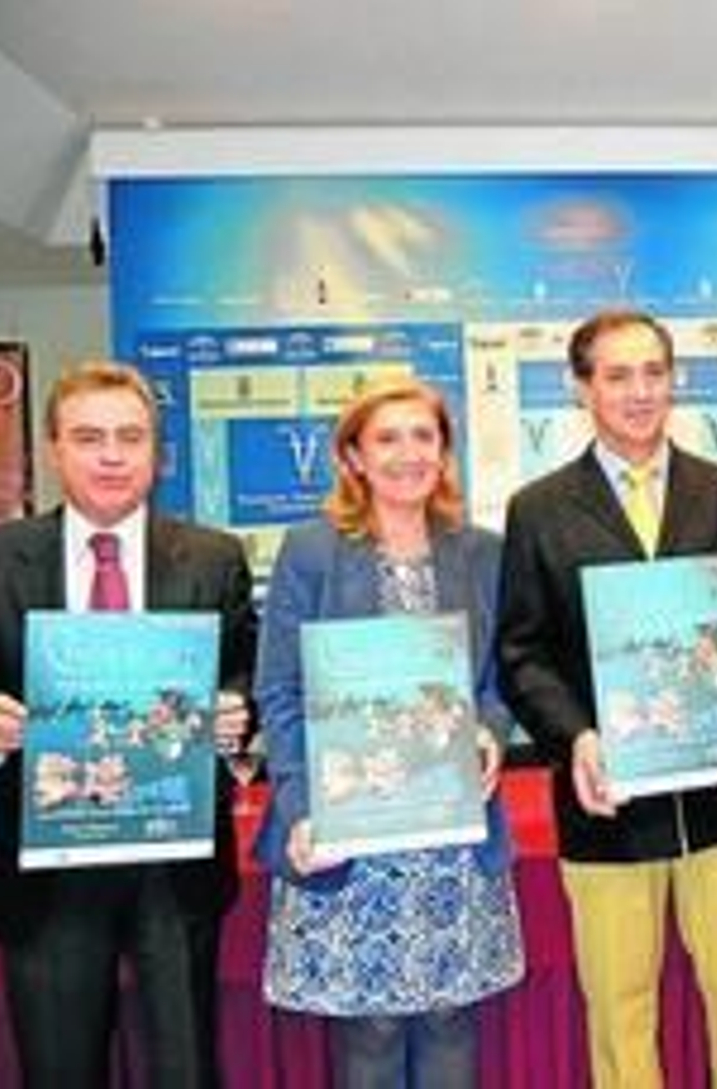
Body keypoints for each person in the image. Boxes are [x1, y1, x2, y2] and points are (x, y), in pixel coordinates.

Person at [496, 309, 717, 1088]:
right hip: (607, 803)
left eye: (654, 372)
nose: (640, 391)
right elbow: (522, 652)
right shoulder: (539, 508)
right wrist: (577, 739)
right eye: (618, 375)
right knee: (621, 1017)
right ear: (581, 387)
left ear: (674, 381)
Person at [0, 360, 257, 1088]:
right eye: (89, 437)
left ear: (157, 452)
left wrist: (236, 711)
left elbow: (245, 672)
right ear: (53, 448)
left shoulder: (214, 557)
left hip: (175, 860)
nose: (111, 455)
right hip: (43, 869)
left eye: (130, 437)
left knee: (185, 1071)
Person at [254, 375, 523, 1087]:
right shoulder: (311, 549)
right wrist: (301, 806)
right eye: (387, 438)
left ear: (444, 451)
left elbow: (500, 677)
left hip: (450, 832)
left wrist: (490, 730)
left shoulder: (482, 552)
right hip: (349, 825)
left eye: (424, 436)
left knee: (450, 1018)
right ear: (354, 457)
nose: (409, 454)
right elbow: (279, 689)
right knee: (370, 1031)